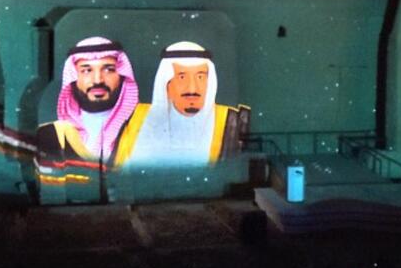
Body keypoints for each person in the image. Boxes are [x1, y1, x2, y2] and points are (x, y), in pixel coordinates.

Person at [115, 41, 249, 167]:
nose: (192, 88)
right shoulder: (134, 117)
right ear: (166, 84)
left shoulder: (232, 123)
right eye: (182, 77)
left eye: (200, 77)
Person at [36, 37, 139, 172]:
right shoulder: (47, 134)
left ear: (122, 76)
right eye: (86, 70)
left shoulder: (147, 123)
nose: (97, 80)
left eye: (108, 69)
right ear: (73, 77)